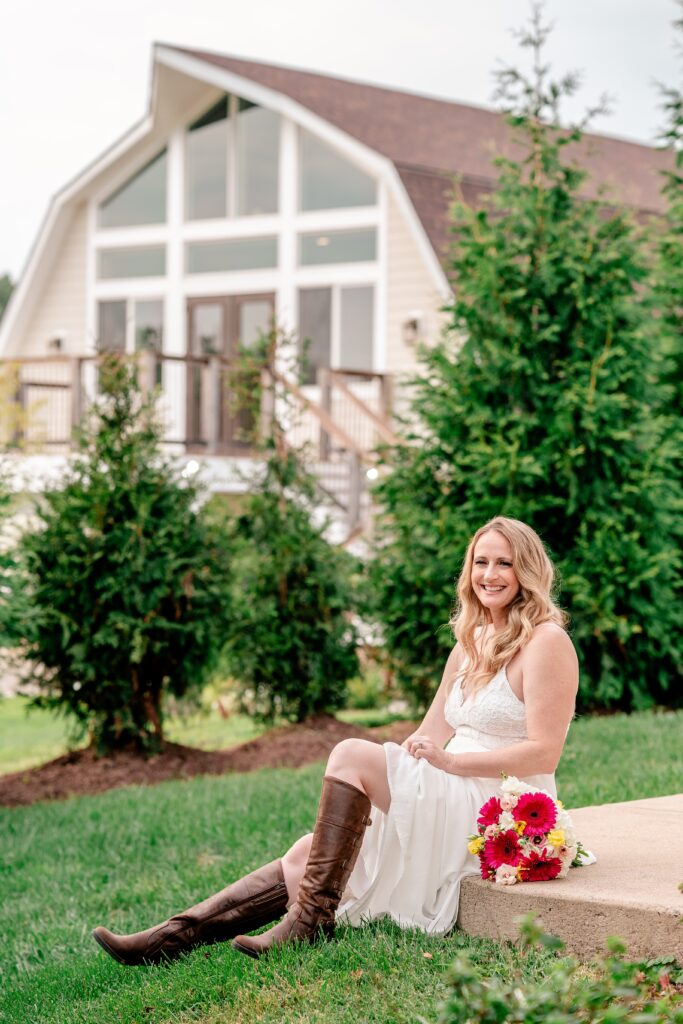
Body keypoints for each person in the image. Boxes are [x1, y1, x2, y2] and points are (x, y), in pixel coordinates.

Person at [92, 515, 578, 964]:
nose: (490, 574)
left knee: (350, 753)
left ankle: (309, 920)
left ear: (526, 572)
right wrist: (403, 770)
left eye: (504, 563)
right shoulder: (469, 643)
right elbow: (430, 733)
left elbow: (544, 752)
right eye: (481, 562)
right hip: (444, 787)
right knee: (307, 853)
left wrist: (444, 766)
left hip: (499, 800)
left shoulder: (546, 642)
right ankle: (168, 940)